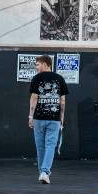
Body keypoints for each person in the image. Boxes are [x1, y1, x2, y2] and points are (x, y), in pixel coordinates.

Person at [28, 55, 68, 184]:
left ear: (46, 64)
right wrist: (62, 117)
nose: (36, 67)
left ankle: (43, 172)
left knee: (41, 146)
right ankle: (44, 172)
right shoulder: (59, 78)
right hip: (54, 119)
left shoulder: (36, 79)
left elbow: (34, 98)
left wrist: (30, 116)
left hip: (39, 118)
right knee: (50, 145)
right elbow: (62, 100)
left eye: (38, 64)